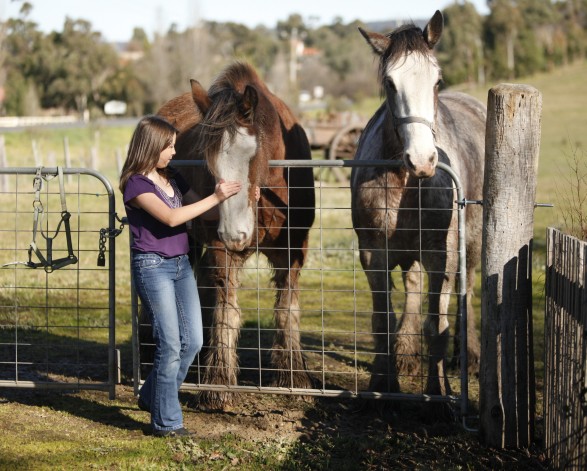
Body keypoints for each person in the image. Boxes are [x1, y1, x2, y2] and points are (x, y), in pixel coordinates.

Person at [119, 115, 242, 437]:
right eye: (169, 146)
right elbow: (173, 218)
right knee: (171, 344)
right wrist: (215, 197)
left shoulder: (171, 176)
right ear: (152, 145)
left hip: (180, 265)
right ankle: (166, 422)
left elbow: (207, 211)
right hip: (152, 267)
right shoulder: (136, 184)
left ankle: (152, 396)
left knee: (194, 342)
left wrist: (231, 200)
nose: (174, 151)